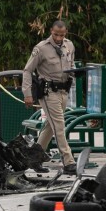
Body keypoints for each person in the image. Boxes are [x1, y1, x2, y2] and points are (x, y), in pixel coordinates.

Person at [22, 20, 77, 174]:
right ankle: (68, 161)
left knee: (50, 127)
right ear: (50, 31)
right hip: (48, 92)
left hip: (63, 91)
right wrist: (27, 94)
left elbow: (70, 67)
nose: (59, 38)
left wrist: (76, 73)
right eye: (55, 34)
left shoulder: (69, 45)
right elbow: (27, 70)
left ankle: (34, 158)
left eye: (62, 35)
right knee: (59, 126)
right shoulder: (41, 48)